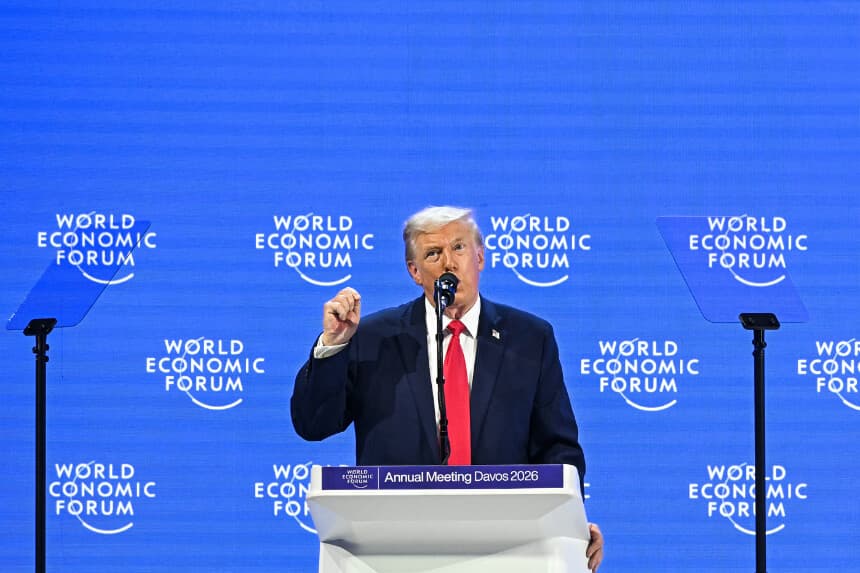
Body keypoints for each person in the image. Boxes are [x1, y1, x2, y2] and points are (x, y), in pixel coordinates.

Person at [291, 206, 604, 571]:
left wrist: (568, 526)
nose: (449, 264)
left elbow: (558, 449)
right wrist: (333, 346)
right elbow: (313, 424)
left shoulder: (530, 339)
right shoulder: (373, 338)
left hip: (507, 550)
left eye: (459, 248)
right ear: (415, 272)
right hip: (394, 550)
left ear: (480, 257)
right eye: (432, 254)